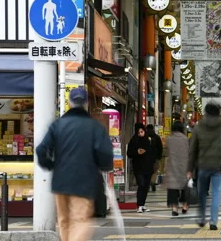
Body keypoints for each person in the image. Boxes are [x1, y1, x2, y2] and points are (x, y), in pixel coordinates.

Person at [36, 88, 113, 241]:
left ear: (70, 103)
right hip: (84, 181)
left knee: (64, 221)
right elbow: (105, 153)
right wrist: (104, 166)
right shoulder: (95, 127)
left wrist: (51, 165)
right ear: (86, 103)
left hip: (60, 180)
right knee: (81, 220)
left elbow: (41, 149)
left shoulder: (57, 125)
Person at [187, 103, 221, 231]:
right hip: (219, 166)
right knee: (216, 193)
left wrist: (189, 169)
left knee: (202, 193)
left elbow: (193, 150)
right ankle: (213, 221)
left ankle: (202, 218)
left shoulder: (199, 127)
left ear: (206, 112)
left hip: (203, 165)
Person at [127, 123, 155, 213]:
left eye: (142, 132)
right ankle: (139, 205)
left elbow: (153, 152)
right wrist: (137, 152)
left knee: (146, 187)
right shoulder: (134, 140)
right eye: (138, 132)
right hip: (138, 167)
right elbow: (129, 153)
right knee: (141, 185)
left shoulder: (149, 140)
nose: (140, 134)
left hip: (148, 167)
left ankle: (142, 205)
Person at [165, 121, 190, 216]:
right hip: (184, 166)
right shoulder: (185, 139)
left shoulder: (169, 139)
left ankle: (174, 208)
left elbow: (167, 152)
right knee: (185, 187)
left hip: (172, 166)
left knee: (172, 188)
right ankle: (184, 206)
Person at [147, 124, 163, 192]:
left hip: (146, 158)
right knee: (154, 171)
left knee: (147, 171)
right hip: (155, 158)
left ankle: (147, 184)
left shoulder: (144, 137)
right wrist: (159, 157)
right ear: (153, 129)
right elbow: (160, 148)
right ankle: (152, 182)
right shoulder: (157, 137)